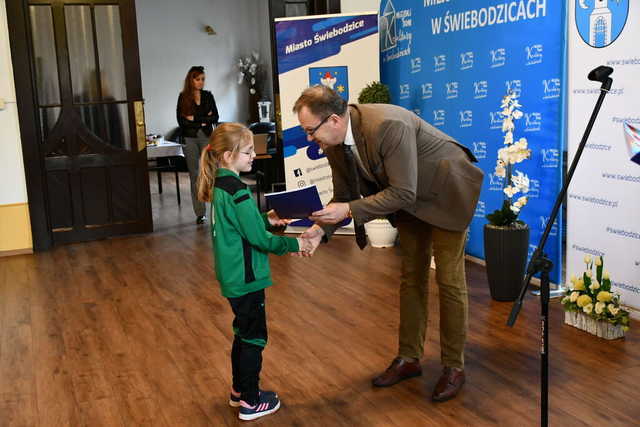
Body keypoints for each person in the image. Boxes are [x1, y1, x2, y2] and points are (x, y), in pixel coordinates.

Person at [293, 86, 484, 402]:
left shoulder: (386, 124)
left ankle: (454, 367)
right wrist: (318, 230)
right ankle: (409, 358)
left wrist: (350, 210)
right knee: (412, 277)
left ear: (335, 120)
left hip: (445, 189)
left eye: (310, 131)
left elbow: (401, 193)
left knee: (449, 280)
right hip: (408, 198)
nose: (310, 139)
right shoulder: (334, 143)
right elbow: (344, 198)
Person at [197, 122, 312, 421]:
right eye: (248, 152)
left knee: (242, 333)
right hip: (247, 279)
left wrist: (265, 217)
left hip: (233, 276)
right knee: (254, 338)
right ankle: (250, 400)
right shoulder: (238, 191)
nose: (253, 157)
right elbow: (260, 241)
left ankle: (239, 391)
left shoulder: (221, 187)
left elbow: (243, 225)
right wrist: (296, 244)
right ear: (227, 157)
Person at [177, 65, 219, 224]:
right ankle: (200, 213)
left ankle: (217, 209)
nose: (201, 82)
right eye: (198, 79)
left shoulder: (208, 96)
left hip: (207, 137)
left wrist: (195, 119)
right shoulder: (183, 97)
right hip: (190, 138)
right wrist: (202, 120)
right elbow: (181, 121)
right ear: (191, 80)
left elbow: (215, 117)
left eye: (203, 79)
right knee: (195, 175)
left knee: (211, 172)